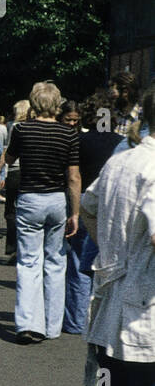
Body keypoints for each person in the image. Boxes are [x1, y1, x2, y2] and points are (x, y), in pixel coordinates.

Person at [67, 84, 155, 386]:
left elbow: (90, 207)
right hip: (145, 331)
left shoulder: (124, 159)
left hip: (109, 323)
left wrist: (115, 256)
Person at [0, 82, 81, 343]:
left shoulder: (22, 129)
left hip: (30, 198)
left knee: (29, 262)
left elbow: (9, 159)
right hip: (57, 199)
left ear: (34, 103)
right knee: (56, 262)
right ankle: (53, 325)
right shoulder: (69, 134)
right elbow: (74, 177)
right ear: (57, 105)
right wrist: (75, 212)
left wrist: (0, 171)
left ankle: (28, 323)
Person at [63, 93, 122, 335]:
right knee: (109, 264)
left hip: (85, 202)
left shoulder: (80, 141)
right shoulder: (122, 144)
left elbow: (72, 177)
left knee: (78, 263)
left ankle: (76, 321)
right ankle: (104, 319)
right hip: (112, 208)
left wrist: (74, 211)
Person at [0, 100, 31, 261]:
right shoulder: (34, 126)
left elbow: (8, 151)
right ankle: (25, 248)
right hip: (30, 172)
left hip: (15, 170)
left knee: (11, 211)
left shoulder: (14, 127)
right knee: (26, 211)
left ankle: (12, 248)